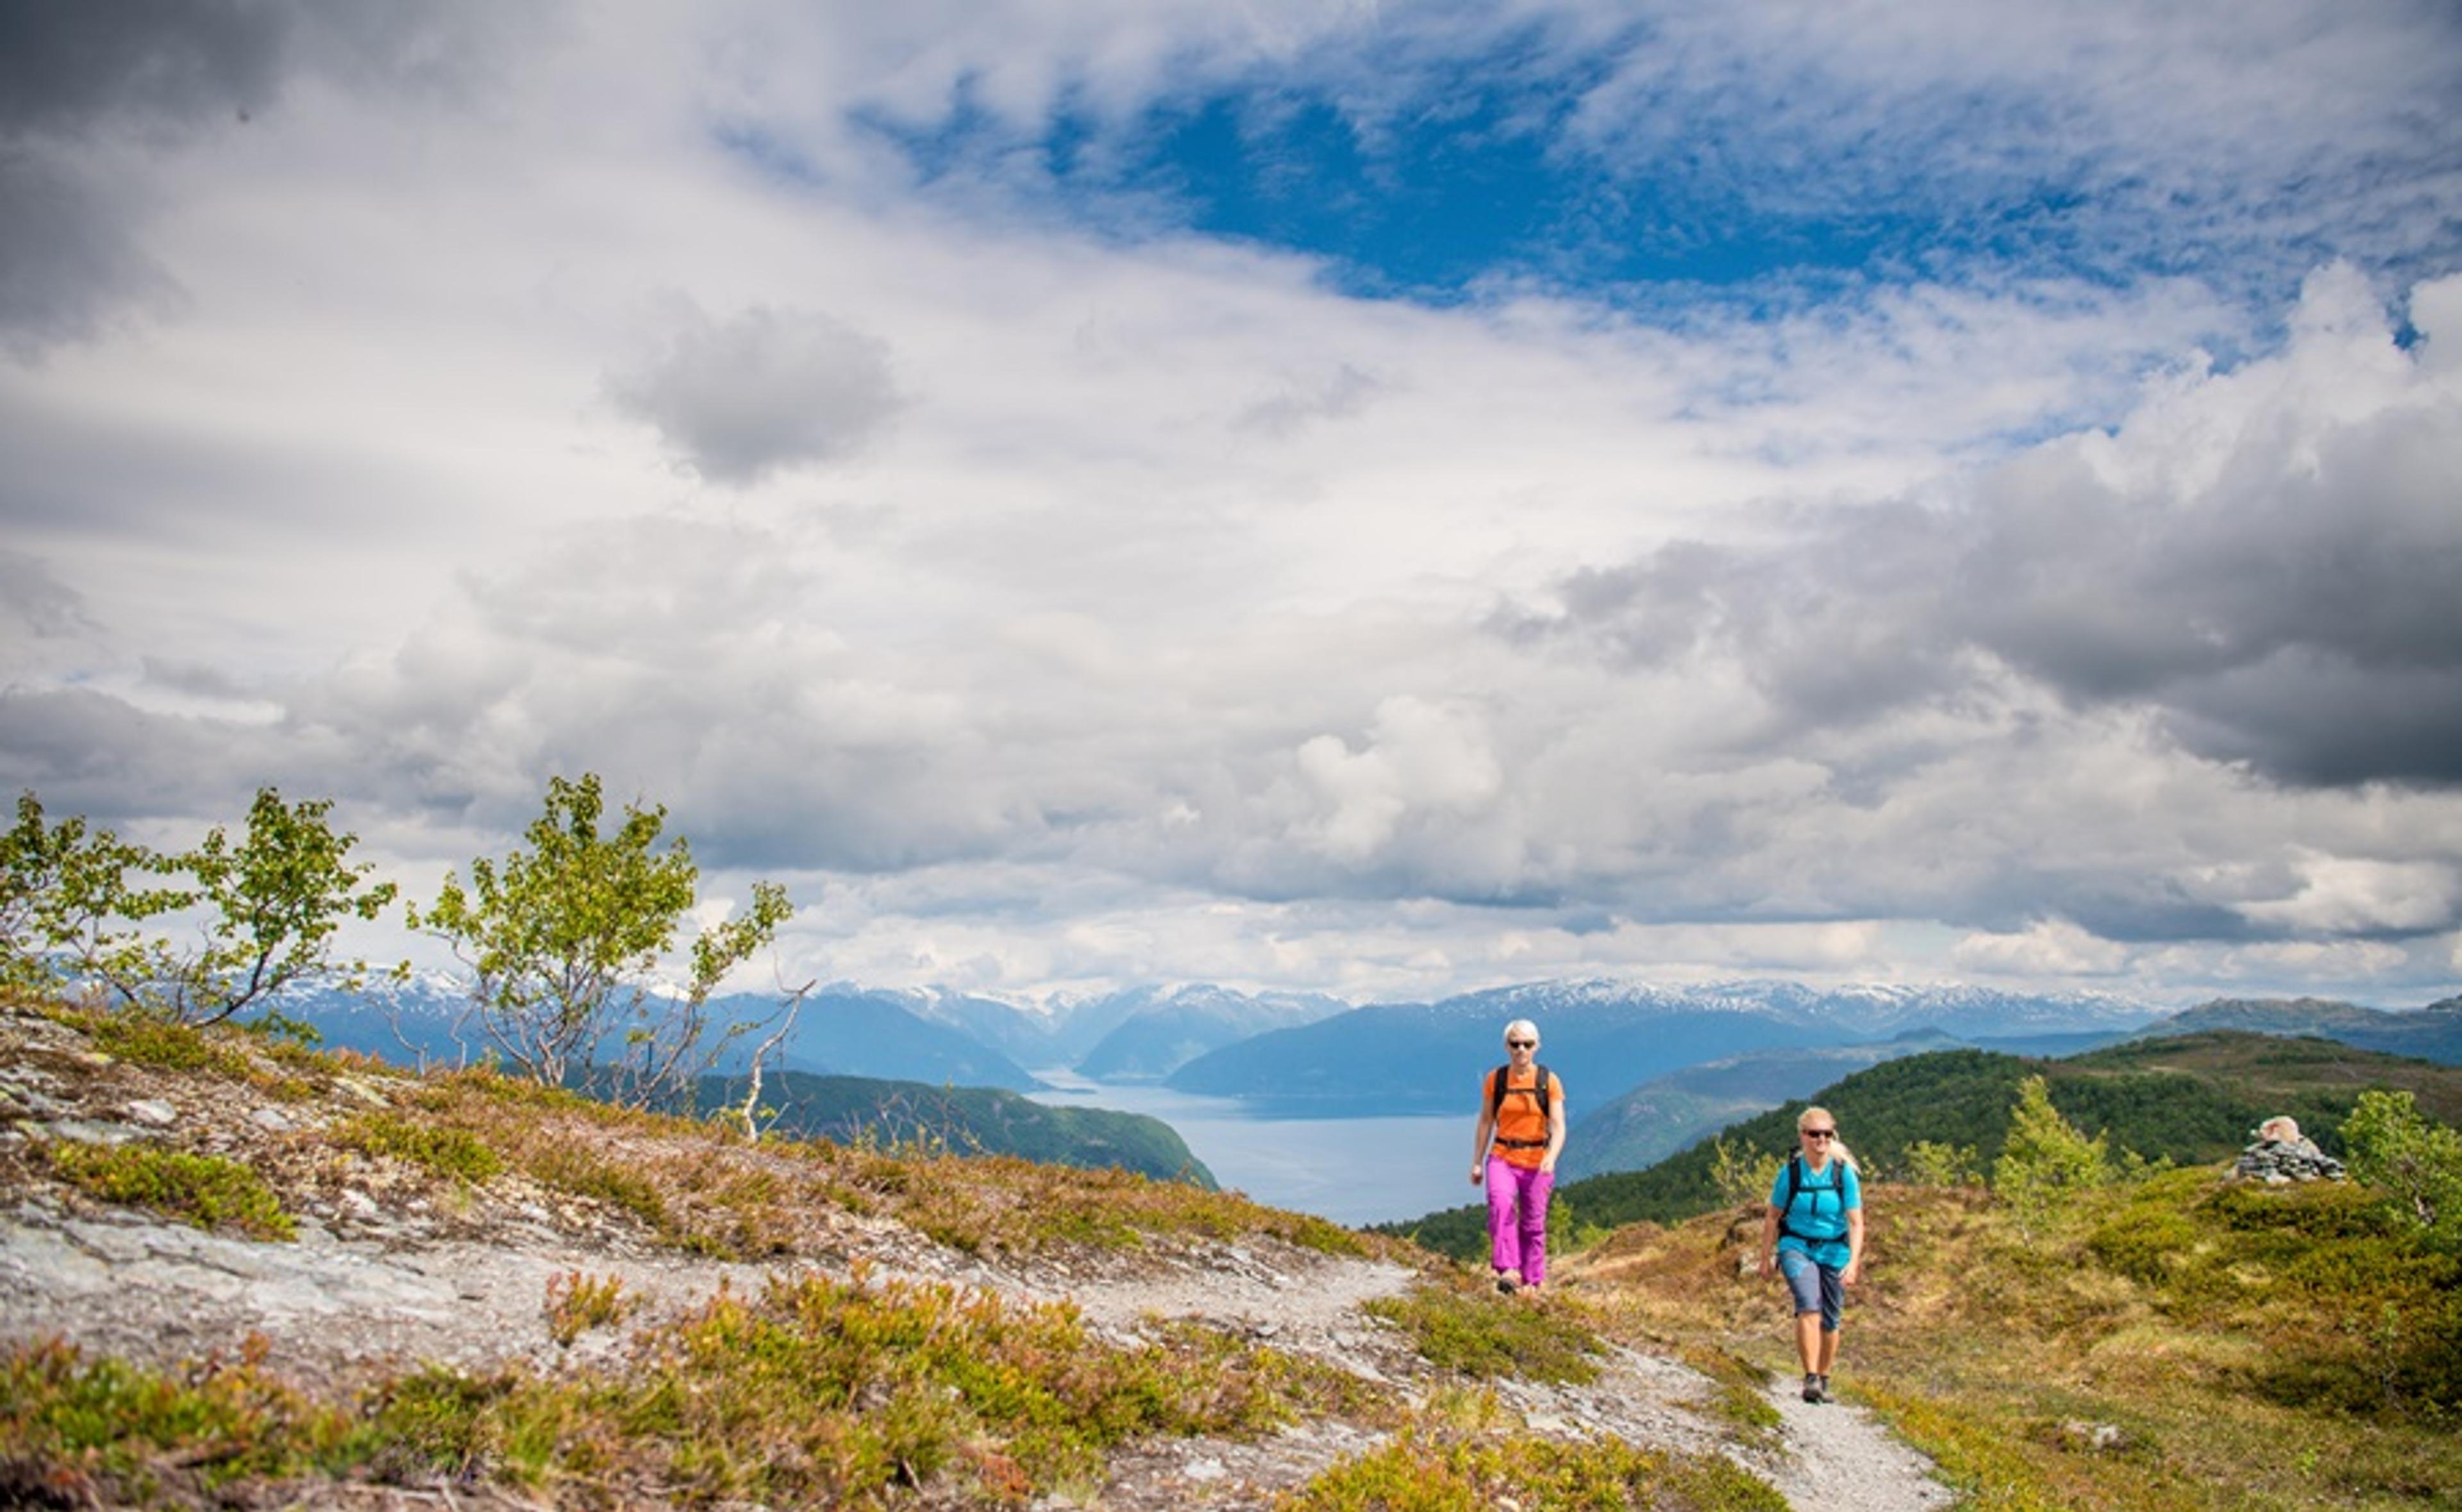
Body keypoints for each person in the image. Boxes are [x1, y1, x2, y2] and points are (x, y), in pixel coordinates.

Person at [1757, 1106, 1864, 1403]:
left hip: (1834, 1249)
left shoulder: (1844, 1174)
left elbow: (1856, 1222)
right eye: (1815, 1134)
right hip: (1796, 1246)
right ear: (1802, 1136)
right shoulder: (1790, 1174)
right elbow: (1773, 1216)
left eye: (1827, 1134)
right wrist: (1765, 1258)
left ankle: (1825, 1377)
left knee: (1831, 1318)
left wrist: (1853, 1263)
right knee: (1808, 1305)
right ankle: (1811, 1378)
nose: (1821, 1140)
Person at [1470, 1018, 1565, 1295]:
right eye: (1515, 1044)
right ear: (1506, 1047)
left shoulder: (1548, 1081)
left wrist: (1551, 1156)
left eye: (1527, 1044)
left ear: (1537, 1047)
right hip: (1502, 1156)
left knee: (1533, 1224)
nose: (1521, 1049)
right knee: (1501, 1205)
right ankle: (1508, 1269)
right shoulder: (1496, 1080)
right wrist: (1477, 1162)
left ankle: (1532, 1282)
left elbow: (1558, 1125)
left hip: (1537, 1160)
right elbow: (1486, 1121)